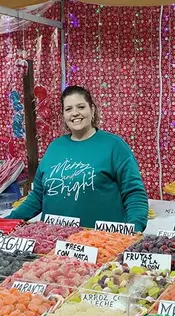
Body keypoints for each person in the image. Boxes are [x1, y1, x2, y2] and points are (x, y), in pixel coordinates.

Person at [9, 85, 149, 231]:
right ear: (63, 115)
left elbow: (134, 193)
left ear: (92, 110)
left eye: (81, 107)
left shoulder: (114, 146)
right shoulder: (55, 147)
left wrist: (135, 228)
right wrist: (7, 222)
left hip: (102, 240)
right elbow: (37, 196)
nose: (75, 113)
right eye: (68, 109)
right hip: (54, 239)